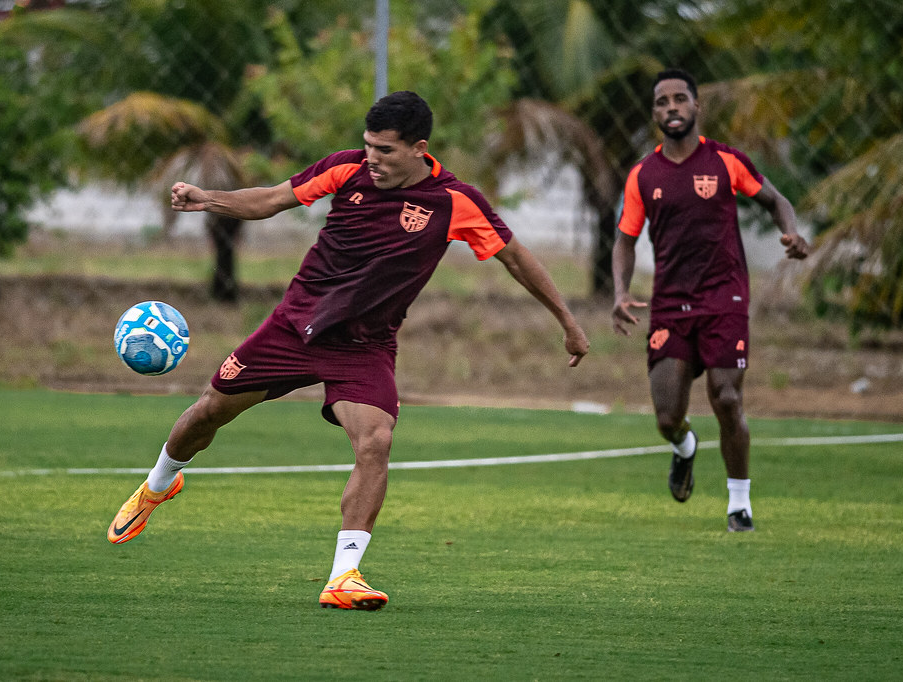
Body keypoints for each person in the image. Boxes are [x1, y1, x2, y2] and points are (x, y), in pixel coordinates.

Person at [108, 91, 591, 609]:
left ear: (418, 149)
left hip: (365, 347)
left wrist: (567, 321)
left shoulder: (454, 202)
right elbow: (273, 199)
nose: (373, 159)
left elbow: (514, 256)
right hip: (294, 328)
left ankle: (345, 576)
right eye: (368, 146)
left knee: (375, 442)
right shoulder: (346, 171)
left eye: (384, 150)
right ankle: (159, 484)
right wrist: (209, 199)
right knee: (208, 412)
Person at [611, 69, 809, 532]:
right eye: (662, 102)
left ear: (696, 107)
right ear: (655, 113)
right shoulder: (644, 175)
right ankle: (683, 447)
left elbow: (776, 200)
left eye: (680, 99)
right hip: (670, 305)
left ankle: (739, 503)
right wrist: (620, 292)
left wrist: (792, 231)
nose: (672, 108)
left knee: (725, 396)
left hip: (725, 298)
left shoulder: (726, 162)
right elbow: (624, 240)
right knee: (666, 416)